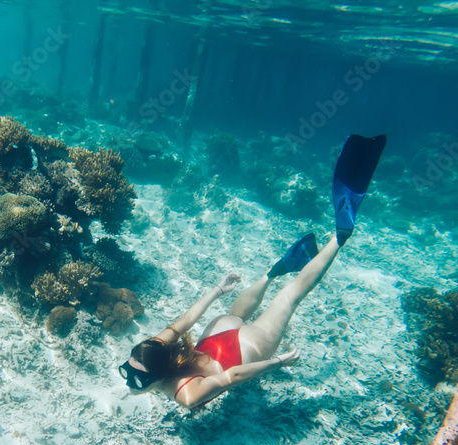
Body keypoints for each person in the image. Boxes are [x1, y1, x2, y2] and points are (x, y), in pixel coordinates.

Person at [119, 134, 386, 409]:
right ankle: (275, 270)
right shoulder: (152, 348)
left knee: (289, 297)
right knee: (236, 316)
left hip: (243, 352)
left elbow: (230, 377)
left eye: (133, 377)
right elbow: (184, 323)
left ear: (157, 376)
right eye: (128, 374)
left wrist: (277, 362)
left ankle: (340, 236)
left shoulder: (187, 396)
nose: (129, 382)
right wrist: (217, 291)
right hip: (216, 332)